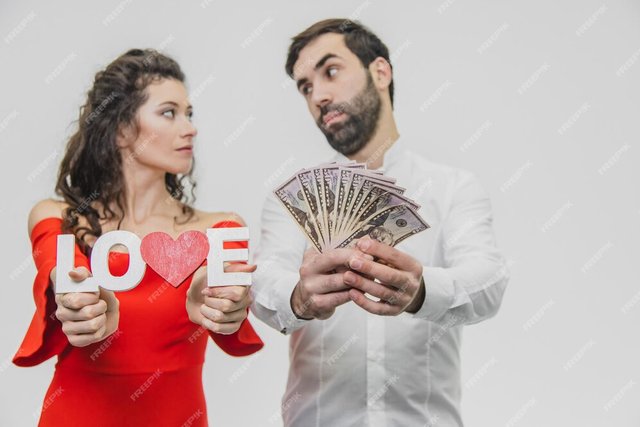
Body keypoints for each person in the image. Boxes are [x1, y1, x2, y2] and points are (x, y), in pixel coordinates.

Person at [252, 19, 509, 426]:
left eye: (330, 71)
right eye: (305, 87)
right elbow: (263, 279)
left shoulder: (453, 188)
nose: (318, 95)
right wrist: (299, 298)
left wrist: (423, 290)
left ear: (381, 71)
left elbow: (488, 281)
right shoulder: (293, 199)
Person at [12, 49, 263, 426]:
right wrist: (79, 302)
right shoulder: (58, 218)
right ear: (122, 129)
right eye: (169, 112)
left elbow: (233, 312)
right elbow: (61, 275)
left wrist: (224, 308)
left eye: (189, 113)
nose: (190, 127)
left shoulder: (221, 230)